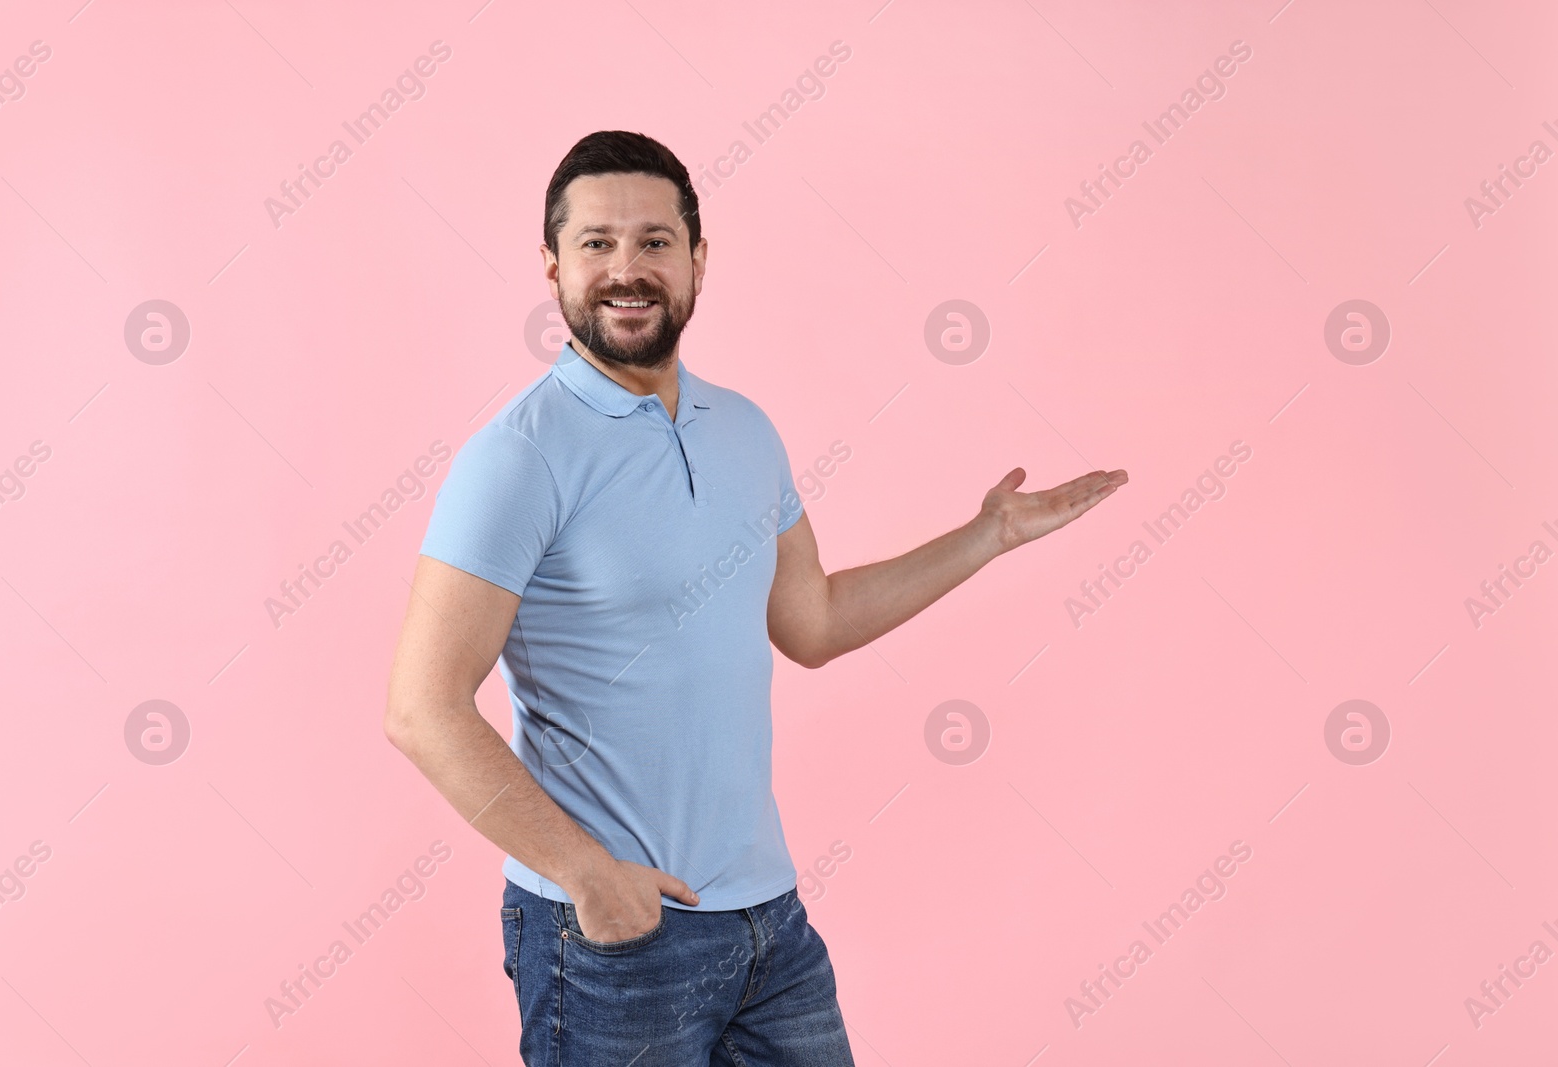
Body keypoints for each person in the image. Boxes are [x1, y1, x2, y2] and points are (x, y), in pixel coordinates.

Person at [384, 130, 1128, 1066]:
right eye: (597, 243)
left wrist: (989, 535)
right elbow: (421, 708)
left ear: (698, 259)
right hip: (612, 932)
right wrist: (588, 876)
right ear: (552, 266)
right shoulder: (520, 456)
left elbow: (811, 623)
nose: (628, 269)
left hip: (767, 925)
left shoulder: (744, 430)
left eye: (655, 241)